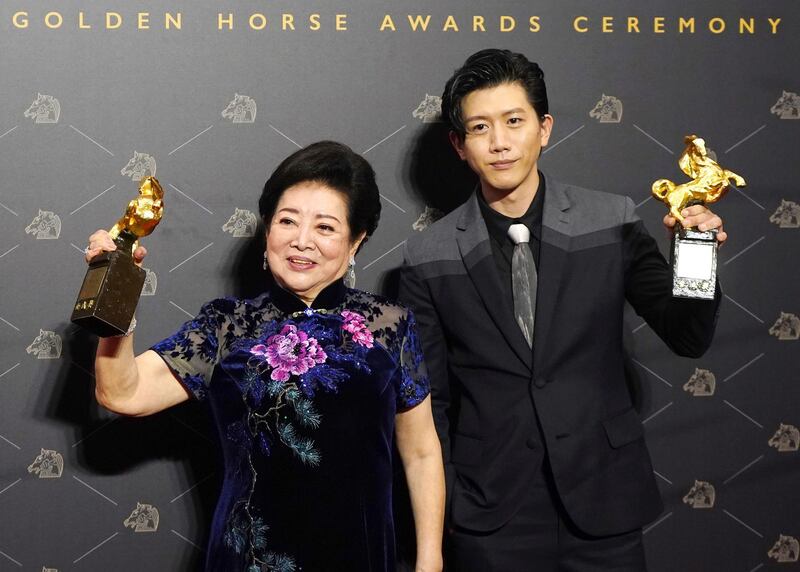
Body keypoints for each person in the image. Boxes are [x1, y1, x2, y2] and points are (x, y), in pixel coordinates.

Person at [398, 49, 725, 571]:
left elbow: (688, 336)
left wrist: (697, 254)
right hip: (490, 512)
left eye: (514, 121)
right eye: (480, 127)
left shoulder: (610, 219)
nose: (500, 142)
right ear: (459, 145)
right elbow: (427, 401)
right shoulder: (428, 254)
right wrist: (452, 504)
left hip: (604, 500)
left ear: (544, 129)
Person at [87, 141, 445, 572]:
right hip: (250, 559)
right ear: (267, 231)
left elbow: (422, 452)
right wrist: (117, 289)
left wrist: (430, 559)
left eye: (325, 228)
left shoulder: (389, 325)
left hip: (361, 557)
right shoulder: (226, 325)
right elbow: (122, 394)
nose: (301, 241)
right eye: (287, 221)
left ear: (356, 241)